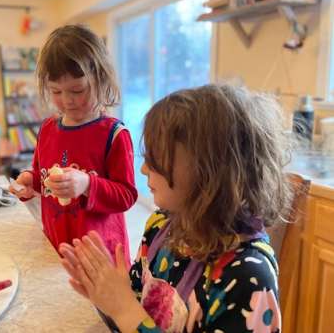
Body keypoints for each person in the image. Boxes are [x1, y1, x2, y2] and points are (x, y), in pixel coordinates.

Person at [59, 85, 291, 333]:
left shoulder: (247, 278)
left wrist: (122, 308)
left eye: (157, 159)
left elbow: (130, 311)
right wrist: (107, 296)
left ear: (208, 172)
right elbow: (137, 303)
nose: (144, 169)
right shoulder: (160, 226)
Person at [10, 24, 138, 261]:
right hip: (56, 249)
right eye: (56, 92)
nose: (67, 100)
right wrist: (30, 182)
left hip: (100, 258)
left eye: (77, 90)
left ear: (101, 80)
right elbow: (44, 180)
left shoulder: (114, 134)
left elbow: (127, 195)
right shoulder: (48, 129)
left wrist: (88, 183)